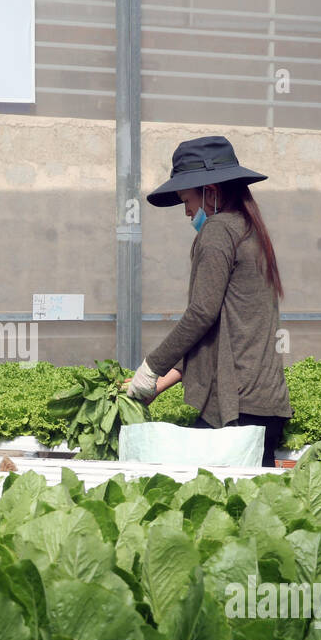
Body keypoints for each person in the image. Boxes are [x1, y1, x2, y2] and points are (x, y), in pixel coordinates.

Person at [123, 135, 292, 468]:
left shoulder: (218, 231)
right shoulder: (249, 229)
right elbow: (221, 332)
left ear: (210, 193)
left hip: (236, 407)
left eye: (187, 200)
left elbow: (201, 314)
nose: (186, 212)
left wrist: (151, 367)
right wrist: (159, 383)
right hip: (263, 404)